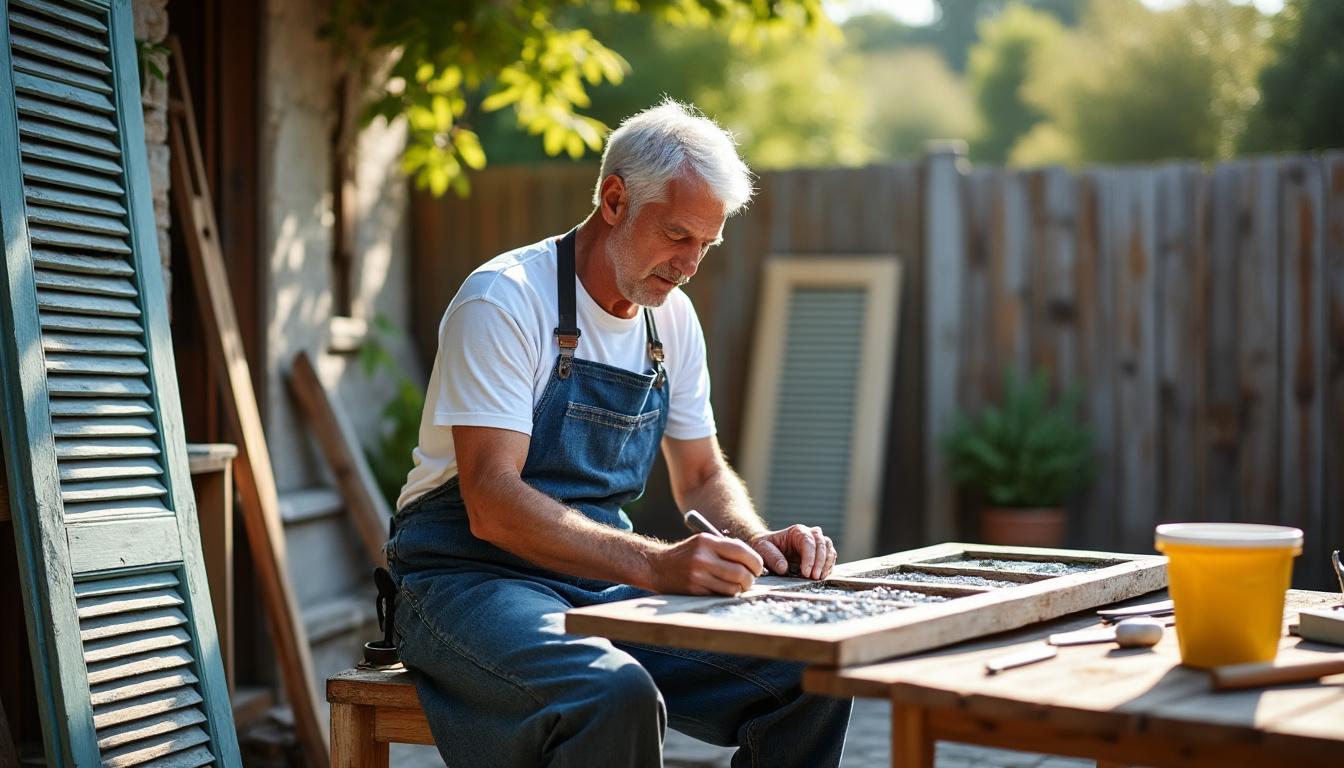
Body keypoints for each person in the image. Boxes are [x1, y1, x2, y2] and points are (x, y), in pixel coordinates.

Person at [388, 99, 852, 767]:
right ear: (614, 201)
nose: (690, 264)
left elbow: (702, 474)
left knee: (811, 670)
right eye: (677, 235)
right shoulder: (505, 298)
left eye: (706, 244)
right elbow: (490, 502)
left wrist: (756, 542)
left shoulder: (672, 321)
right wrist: (656, 566)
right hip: (465, 580)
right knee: (611, 693)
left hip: (594, 579)